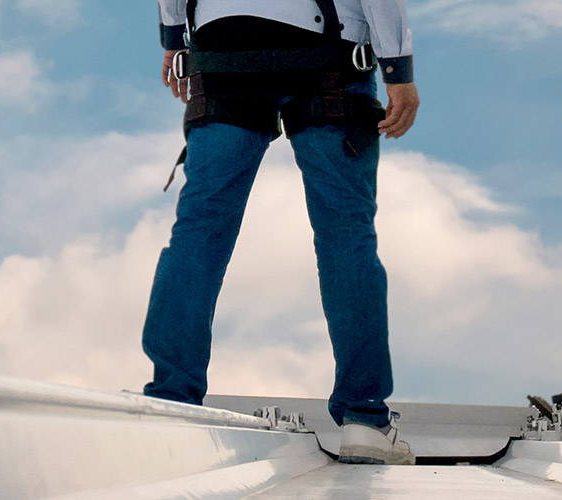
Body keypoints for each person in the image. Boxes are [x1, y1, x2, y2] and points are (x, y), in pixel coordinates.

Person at [142, 0, 419, 464]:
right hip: (327, 52)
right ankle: (364, 421)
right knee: (344, 234)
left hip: (222, 48)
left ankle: (172, 401)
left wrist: (174, 39)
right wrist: (397, 67)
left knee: (199, 232)